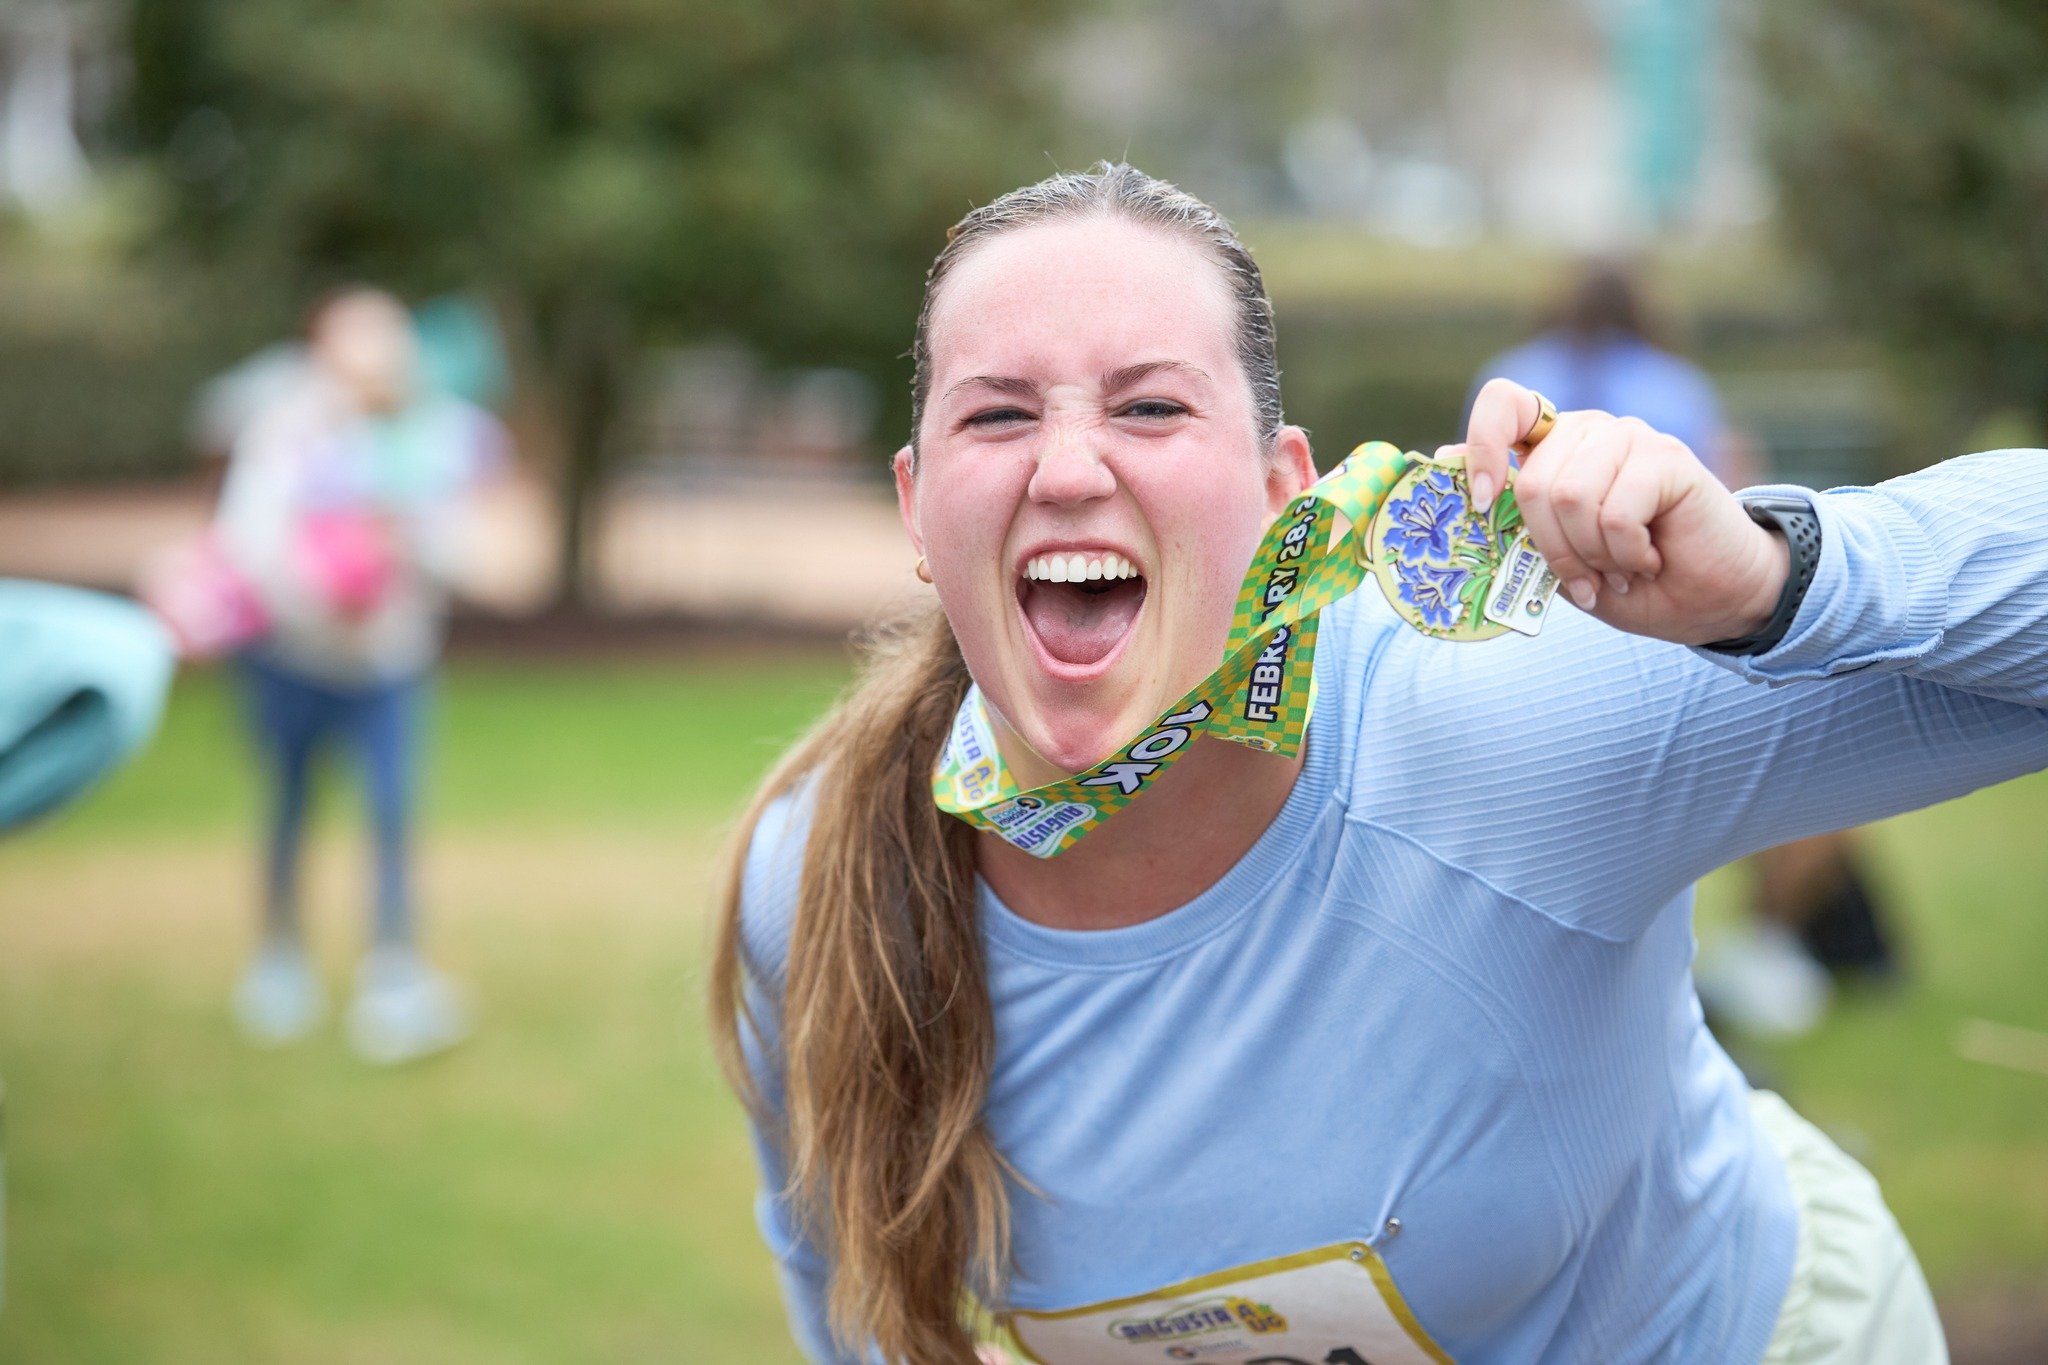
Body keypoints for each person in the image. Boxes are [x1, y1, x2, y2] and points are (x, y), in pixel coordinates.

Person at [711, 163, 2048, 1364]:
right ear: (915, 510)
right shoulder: (825, 880)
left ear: (1282, 488)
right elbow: (849, 1294)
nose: (1067, 467)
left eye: (1153, 405)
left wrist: (1767, 578)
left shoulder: (1509, 716)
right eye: (997, 415)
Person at [1473, 264, 1900, 1040]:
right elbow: (1727, 500)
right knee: (1821, 787)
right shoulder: (1678, 385)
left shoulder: (1511, 378)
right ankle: (1768, 941)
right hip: (1663, 629)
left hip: (1524, 631)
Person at [214, 287, 504, 1064]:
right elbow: (248, 539)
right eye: (358, 339)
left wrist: (405, 543)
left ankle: (395, 978)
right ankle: (279, 964)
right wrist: (319, 595)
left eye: (389, 339)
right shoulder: (284, 432)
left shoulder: (434, 434)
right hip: (289, 663)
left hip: (389, 667)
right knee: (289, 808)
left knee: (392, 816)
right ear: (323, 350)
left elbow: (462, 549)